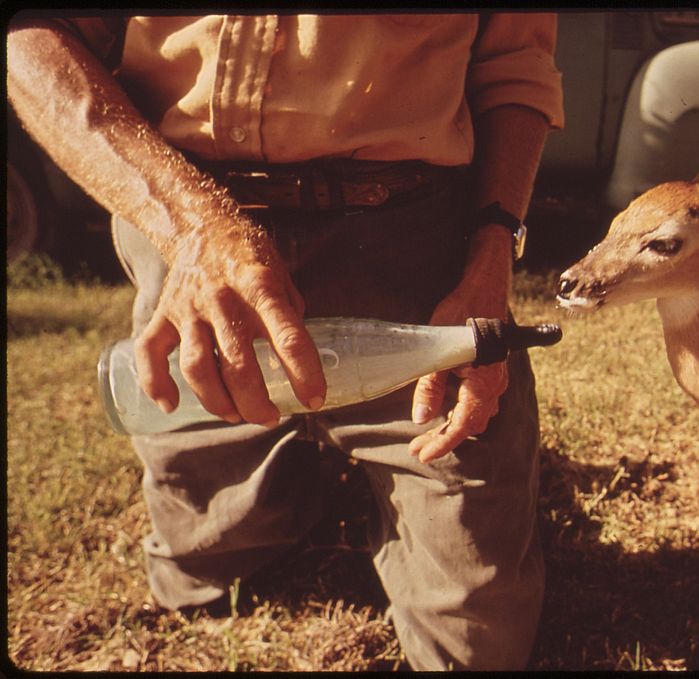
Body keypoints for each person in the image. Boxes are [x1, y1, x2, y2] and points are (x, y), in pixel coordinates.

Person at [7, 12, 564, 670]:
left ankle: (383, 464)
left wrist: (494, 243)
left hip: (409, 247)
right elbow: (32, 36)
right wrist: (192, 230)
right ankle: (301, 461)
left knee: (479, 642)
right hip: (187, 224)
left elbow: (514, 70)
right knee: (202, 573)